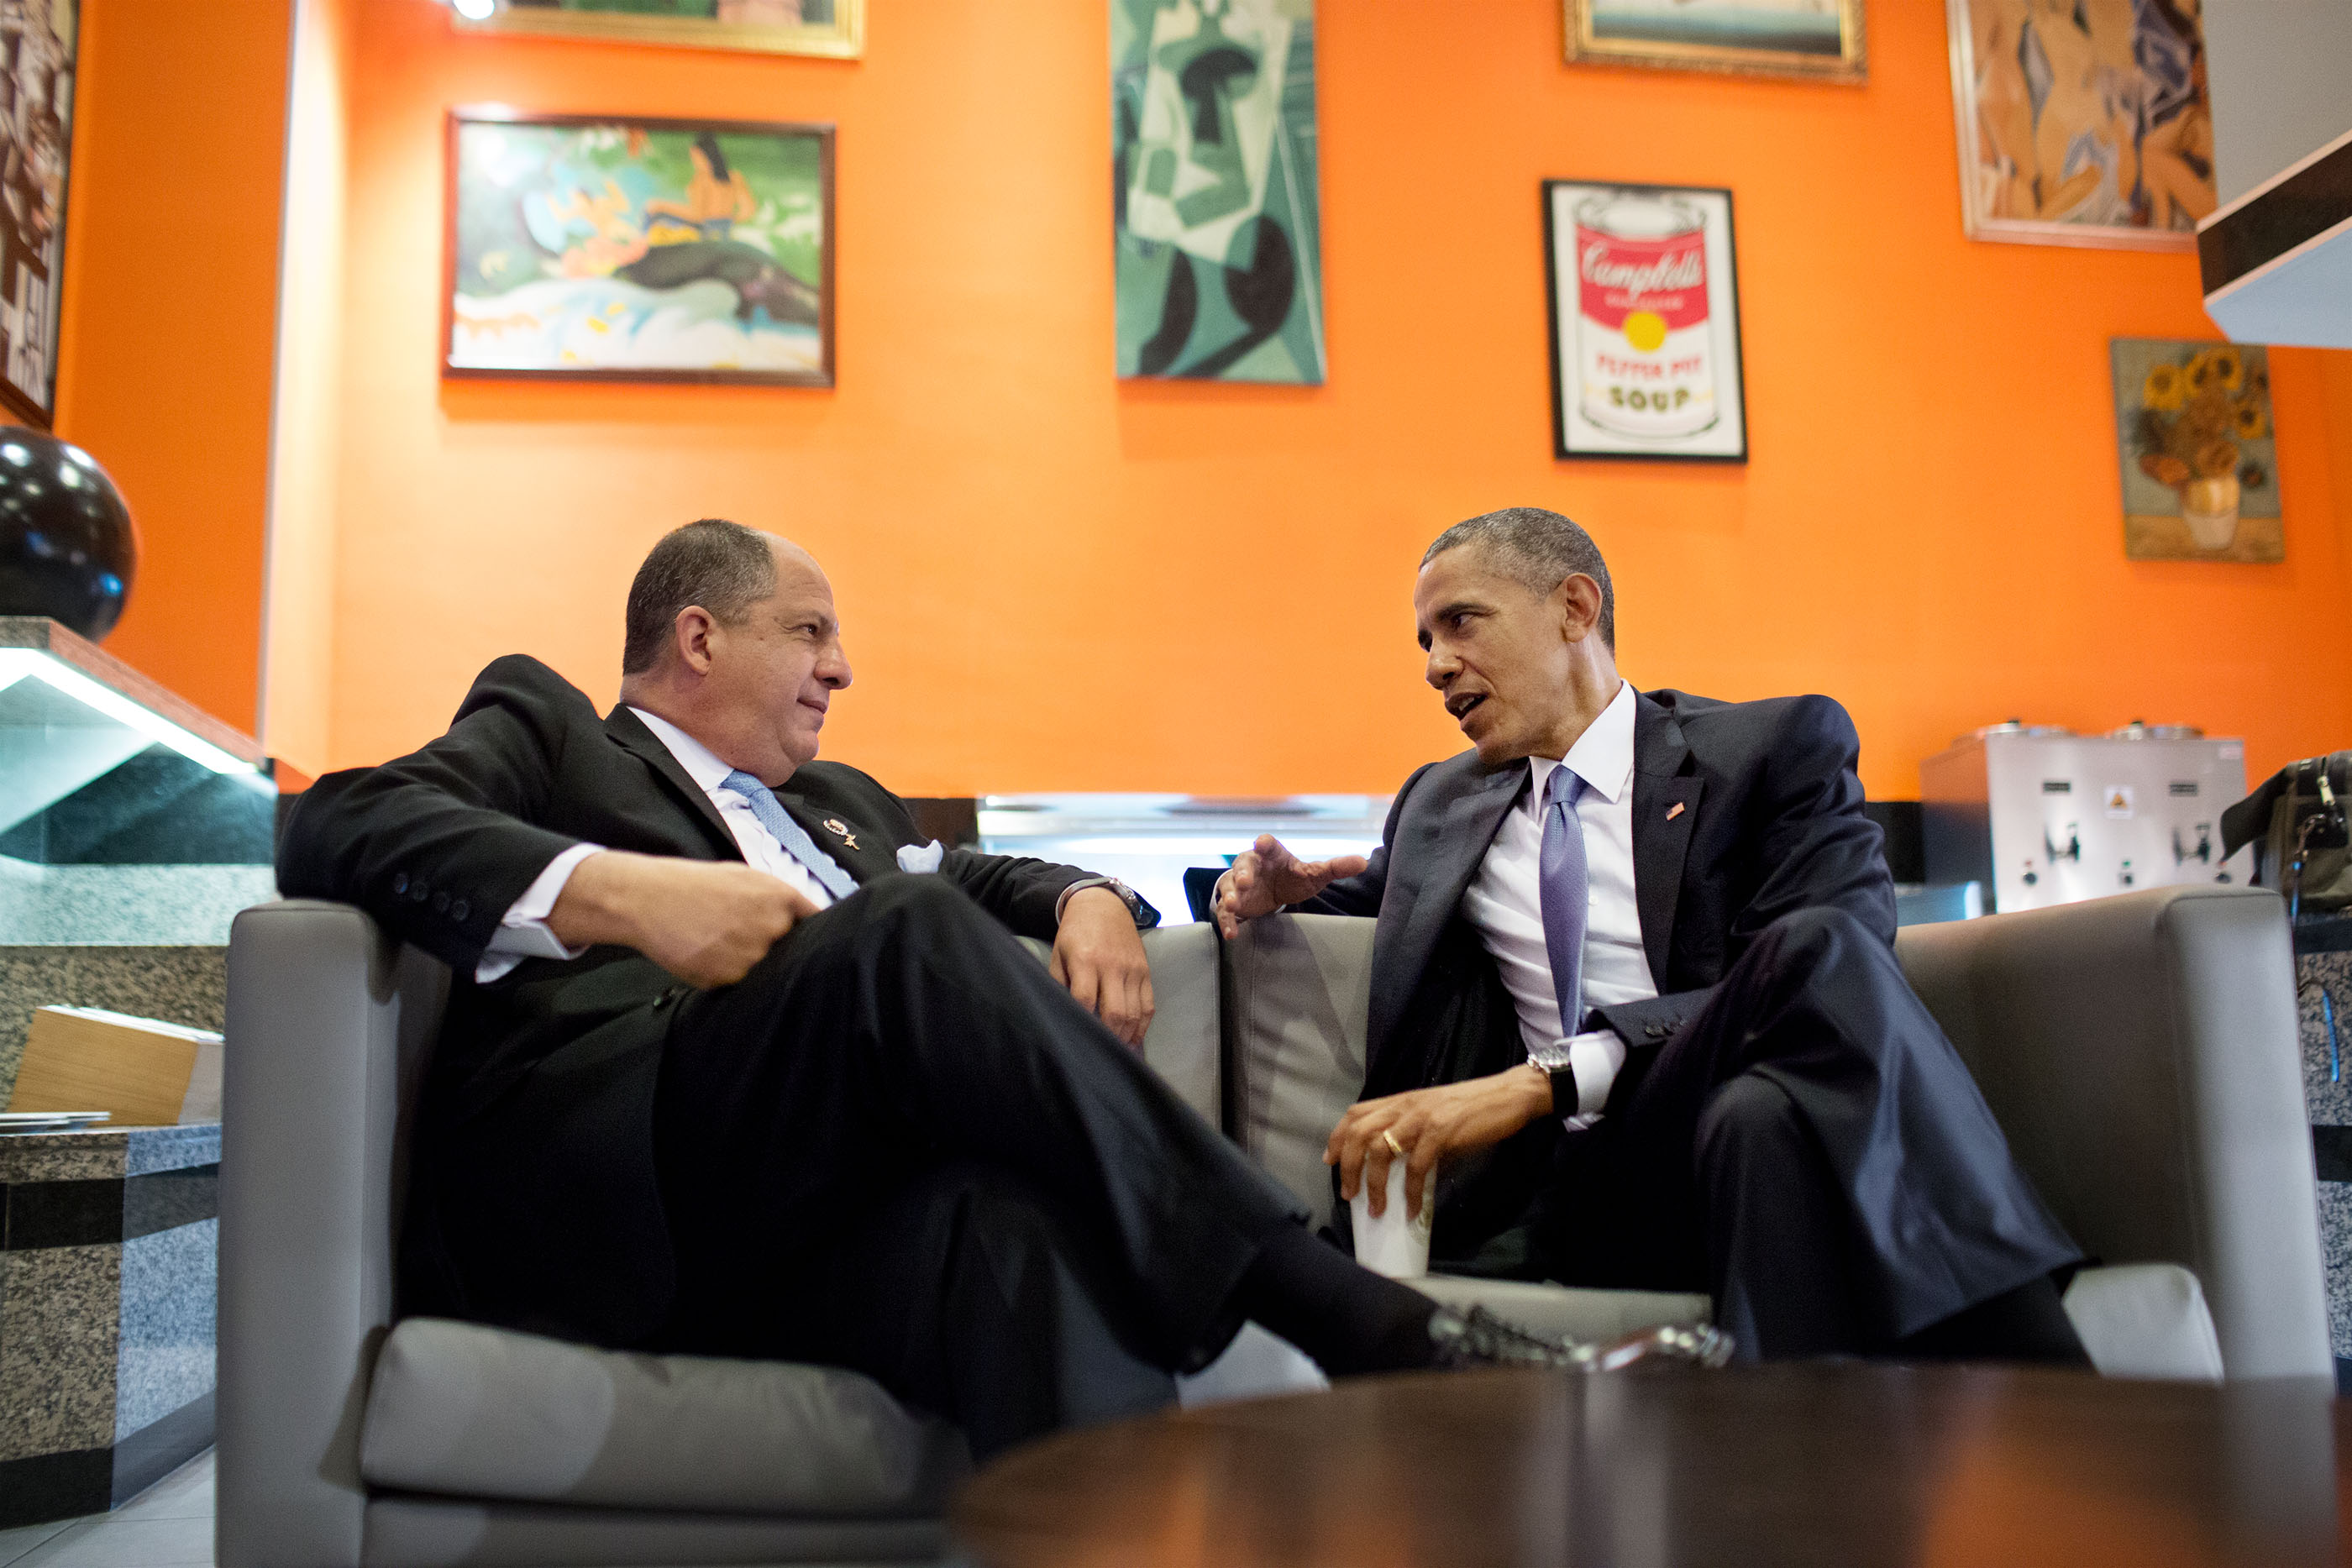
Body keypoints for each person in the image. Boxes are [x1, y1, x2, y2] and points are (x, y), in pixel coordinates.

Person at [276, 517, 1648, 1461]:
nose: (843, 665)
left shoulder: (840, 806)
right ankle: (1342, 1310)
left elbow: (988, 875)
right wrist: (628, 893)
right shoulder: (553, 734)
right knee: (904, 935)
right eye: (808, 629)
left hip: (819, 1224)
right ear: (695, 637)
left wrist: (1091, 898)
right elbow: (342, 822)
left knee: (1016, 1228)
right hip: (637, 1175)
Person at [1214, 506, 2089, 1365]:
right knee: (1785, 1047)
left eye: (1461, 622)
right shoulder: (1440, 804)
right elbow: (1350, 900)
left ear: (1574, 608)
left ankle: (1783, 1462)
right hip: (1581, 1189)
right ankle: (2048, 1374)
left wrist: (1541, 1080)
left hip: (1717, 1129)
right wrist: (1261, 890)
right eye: (1424, 642)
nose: (1437, 666)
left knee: (1774, 1073)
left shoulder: (1771, 748)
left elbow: (1840, 956)